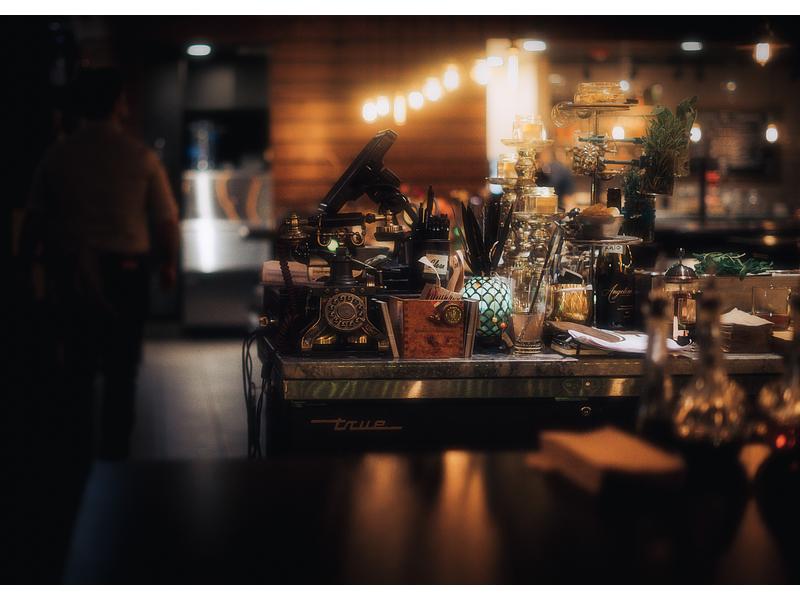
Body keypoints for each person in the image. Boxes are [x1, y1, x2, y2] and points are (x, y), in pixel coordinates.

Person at [19, 67, 179, 459]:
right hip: (126, 272)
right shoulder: (139, 155)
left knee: (78, 369)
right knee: (121, 372)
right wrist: (168, 263)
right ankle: (116, 456)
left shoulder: (58, 155)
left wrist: (24, 266)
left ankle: (76, 458)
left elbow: (34, 218)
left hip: (72, 271)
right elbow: (166, 220)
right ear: (117, 103)